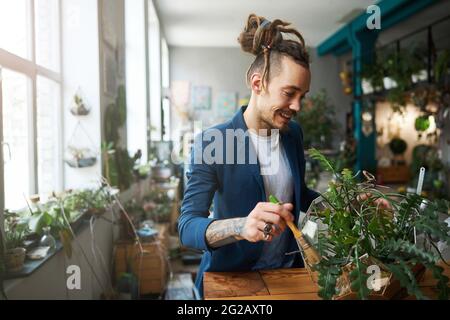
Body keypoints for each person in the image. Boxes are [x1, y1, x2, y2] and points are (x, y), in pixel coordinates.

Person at [178, 13, 320, 298]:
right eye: (289, 93)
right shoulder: (214, 142)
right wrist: (242, 226)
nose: (297, 106)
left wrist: (347, 203)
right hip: (233, 283)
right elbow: (187, 227)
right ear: (258, 84)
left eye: (302, 96)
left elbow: (298, 194)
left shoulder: (292, 134)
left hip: (286, 275)